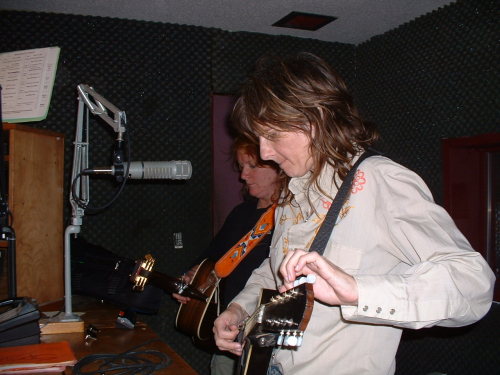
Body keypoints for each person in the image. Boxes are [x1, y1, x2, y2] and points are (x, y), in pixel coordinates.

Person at [213, 52, 495, 375]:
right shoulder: (291, 193)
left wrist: (358, 291)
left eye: (273, 135)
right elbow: (274, 270)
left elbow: (473, 284)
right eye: (259, 138)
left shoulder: (381, 182)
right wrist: (238, 308)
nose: (264, 152)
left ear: (315, 120)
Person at [173, 135, 284, 375]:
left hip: (267, 338)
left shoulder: (290, 217)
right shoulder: (241, 212)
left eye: (252, 166)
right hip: (229, 327)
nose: (243, 175)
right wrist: (192, 276)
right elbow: (212, 256)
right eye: (242, 167)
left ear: (279, 168)